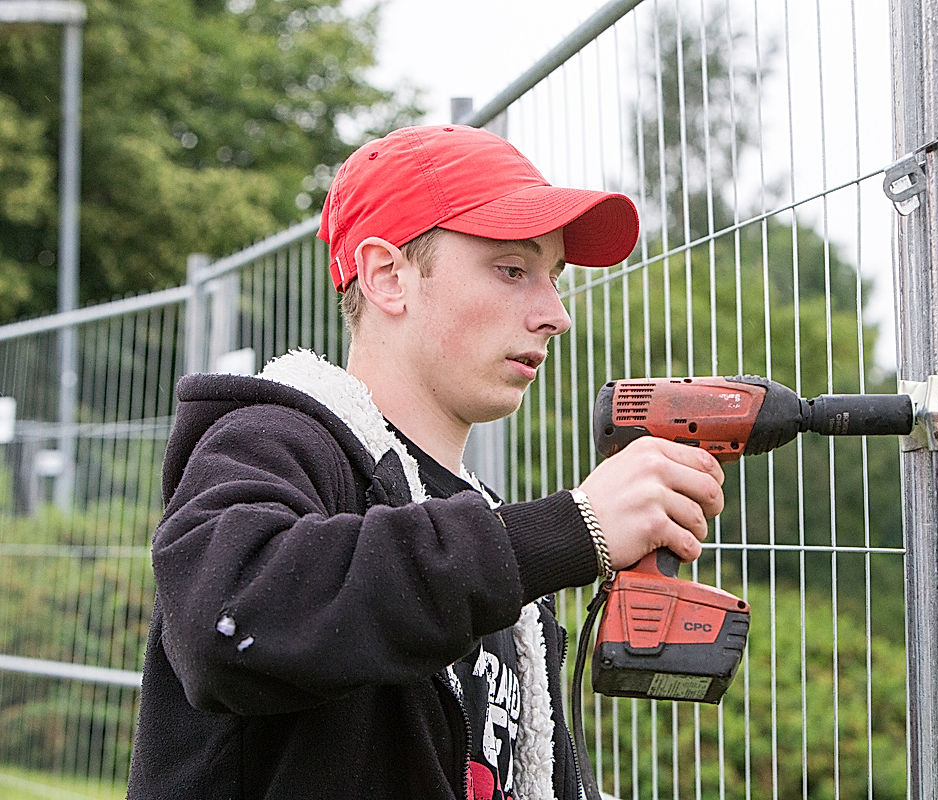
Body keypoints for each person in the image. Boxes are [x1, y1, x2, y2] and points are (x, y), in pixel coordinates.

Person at [127, 124, 725, 800]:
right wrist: (570, 527)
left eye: (553, 279)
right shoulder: (273, 442)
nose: (556, 313)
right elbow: (225, 625)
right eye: (512, 270)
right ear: (387, 277)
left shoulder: (492, 543)